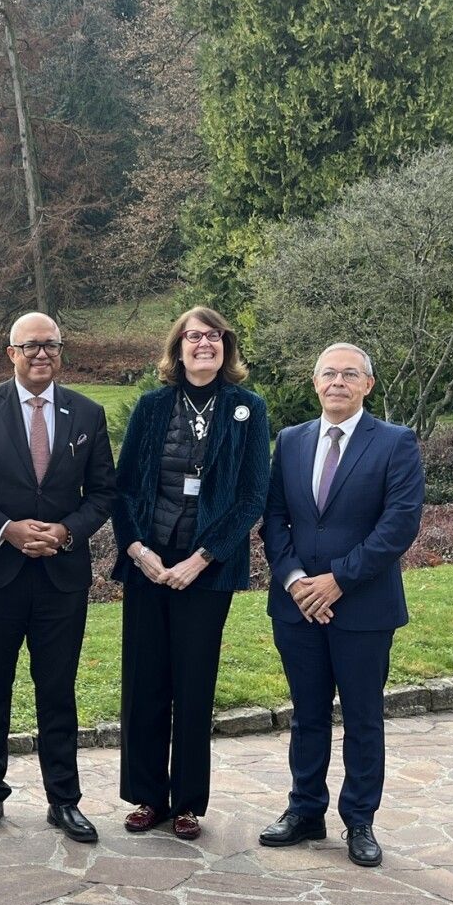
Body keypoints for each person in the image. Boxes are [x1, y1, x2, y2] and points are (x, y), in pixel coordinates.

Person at [0, 312, 116, 843]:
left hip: (61, 579)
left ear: (60, 352)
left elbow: (104, 493)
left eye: (50, 345)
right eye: (30, 346)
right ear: (11, 353)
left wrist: (66, 532)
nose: (41, 354)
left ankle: (64, 800)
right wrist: (8, 529)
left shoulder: (87, 413)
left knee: (58, 692)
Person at [260, 342, 425, 867]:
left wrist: (338, 581)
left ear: (368, 385)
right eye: (328, 373)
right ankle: (305, 811)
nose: (338, 382)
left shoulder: (395, 442)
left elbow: (399, 524)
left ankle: (359, 820)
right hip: (297, 607)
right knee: (307, 715)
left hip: (363, 608)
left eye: (350, 374)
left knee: (362, 717)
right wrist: (295, 582)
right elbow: (274, 518)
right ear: (315, 383)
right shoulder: (290, 440)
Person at [110, 307, 269, 841]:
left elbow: (252, 496)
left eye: (214, 336)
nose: (205, 344)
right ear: (178, 348)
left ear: (227, 346)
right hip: (149, 565)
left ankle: (187, 803)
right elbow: (124, 488)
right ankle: (148, 796)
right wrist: (138, 551)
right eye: (194, 336)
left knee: (194, 686)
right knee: (145, 683)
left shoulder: (248, 408)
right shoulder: (153, 406)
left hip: (207, 570)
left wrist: (201, 559)